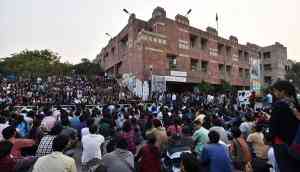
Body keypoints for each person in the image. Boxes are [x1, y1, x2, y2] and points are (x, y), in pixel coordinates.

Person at [270, 80, 300, 171]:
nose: (274, 94)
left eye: (275, 91)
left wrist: (268, 138)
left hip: (282, 144)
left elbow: (273, 127)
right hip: (295, 143)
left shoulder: (279, 105)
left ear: (282, 92)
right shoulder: (295, 103)